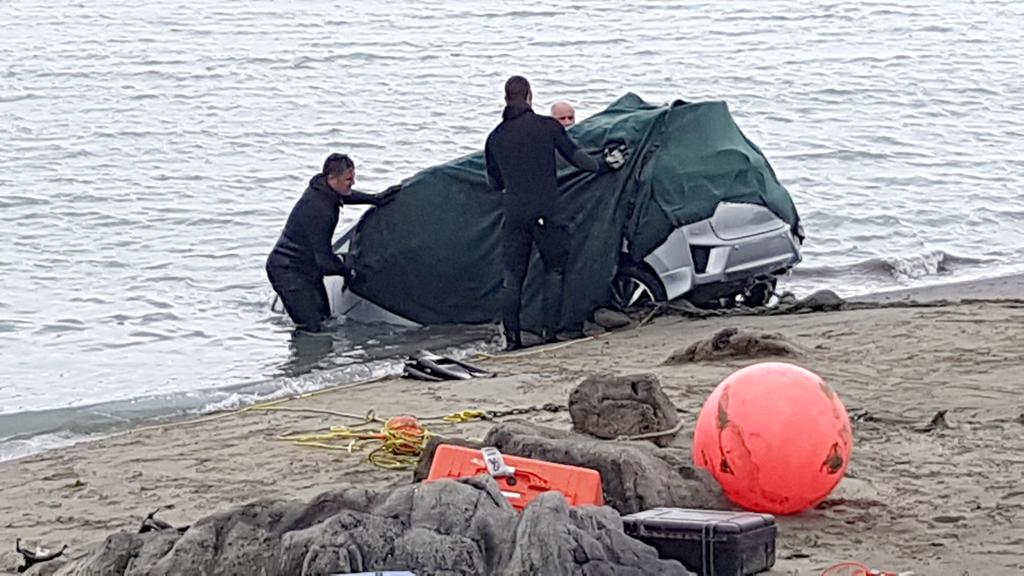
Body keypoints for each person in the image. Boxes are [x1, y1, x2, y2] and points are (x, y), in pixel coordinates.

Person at [485, 76, 627, 350]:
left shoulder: (495, 138)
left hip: (515, 211)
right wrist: (605, 165)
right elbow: (577, 158)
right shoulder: (547, 126)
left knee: (513, 277)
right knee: (554, 270)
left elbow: (495, 184)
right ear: (529, 96)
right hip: (548, 209)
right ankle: (550, 334)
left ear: (505, 99)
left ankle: (512, 340)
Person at [266, 153, 399, 332]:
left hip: (307, 267)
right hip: (287, 270)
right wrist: (350, 269)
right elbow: (325, 262)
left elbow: (346, 196)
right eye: (348, 179)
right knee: (311, 328)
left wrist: (374, 199)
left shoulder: (324, 190)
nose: (353, 183)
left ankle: (325, 358)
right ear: (332, 178)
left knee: (325, 320)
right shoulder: (318, 210)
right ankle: (305, 358)